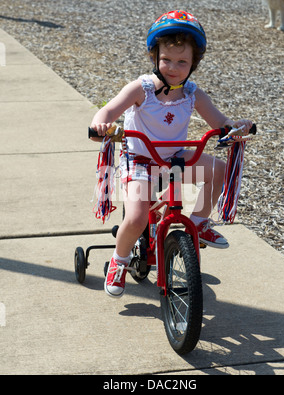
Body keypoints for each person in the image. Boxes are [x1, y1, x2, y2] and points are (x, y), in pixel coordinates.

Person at [90, 10, 253, 298]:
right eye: (166, 60)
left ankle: (200, 223)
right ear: (154, 57)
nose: (173, 68)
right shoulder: (141, 89)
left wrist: (237, 127)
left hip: (174, 159)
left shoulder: (192, 93)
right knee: (138, 217)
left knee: (219, 170)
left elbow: (220, 123)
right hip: (140, 161)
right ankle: (120, 260)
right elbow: (109, 109)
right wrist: (101, 123)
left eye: (182, 62)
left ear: (193, 63)